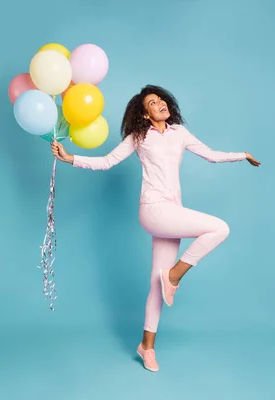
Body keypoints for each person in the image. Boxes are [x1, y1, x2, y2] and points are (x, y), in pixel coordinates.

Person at [51, 85, 260, 372]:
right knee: (219, 228)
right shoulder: (139, 136)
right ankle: (173, 275)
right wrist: (70, 158)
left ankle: (146, 346)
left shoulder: (180, 134)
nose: (160, 103)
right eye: (153, 102)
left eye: (161, 99)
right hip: (153, 209)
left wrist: (242, 154)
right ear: (145, 114)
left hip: (172, 212)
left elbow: (211, 155)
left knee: (155, 286)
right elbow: (107, 161)